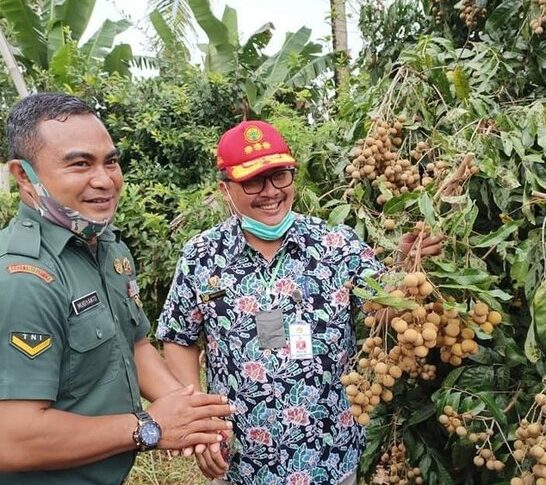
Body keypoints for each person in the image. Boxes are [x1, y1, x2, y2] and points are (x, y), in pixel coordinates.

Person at [157, 120, 443, 484]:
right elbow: (179, 337)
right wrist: (200, 420)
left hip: (329, 455)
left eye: (280, 176)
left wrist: (406, 268)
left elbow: (383, 311)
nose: (270, 192)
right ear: (225, 188)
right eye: (253, 181)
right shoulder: (202, 255)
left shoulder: (337, 245)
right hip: (242, 463)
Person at [0, 93, 235, 484]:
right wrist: (149, 426)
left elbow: (135, 343)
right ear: (24, 175)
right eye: (80, 164)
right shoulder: (23, 279)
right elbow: (13, 439)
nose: (104, 180)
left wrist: (191, 416)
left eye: (111, 161)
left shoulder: (106, 248)